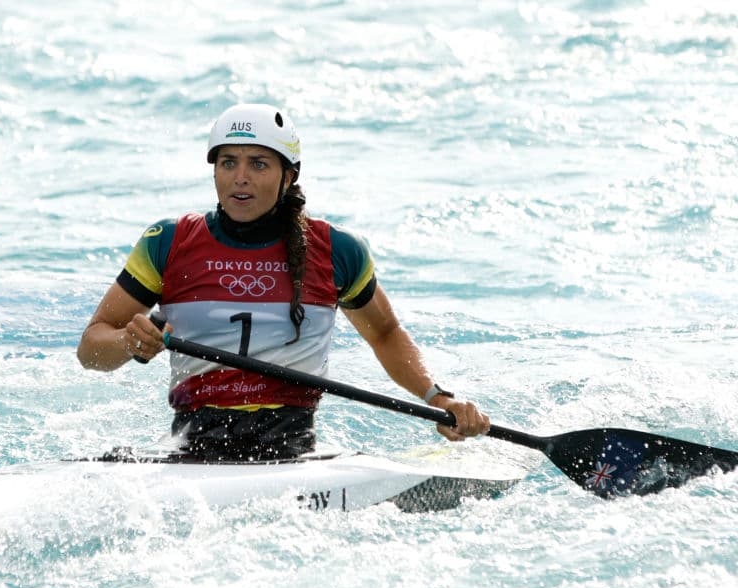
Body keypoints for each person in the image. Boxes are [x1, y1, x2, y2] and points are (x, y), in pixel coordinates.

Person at [77, 103, 489, 460]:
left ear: (288, 176)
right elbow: (91, 350)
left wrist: (438, 397)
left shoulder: (336, 250)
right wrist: (128, 343)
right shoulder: (167, 243)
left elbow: (384, 333)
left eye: (258, 163)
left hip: (294, 449)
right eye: (228, 163)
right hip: (192, 446)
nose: (241, 177)